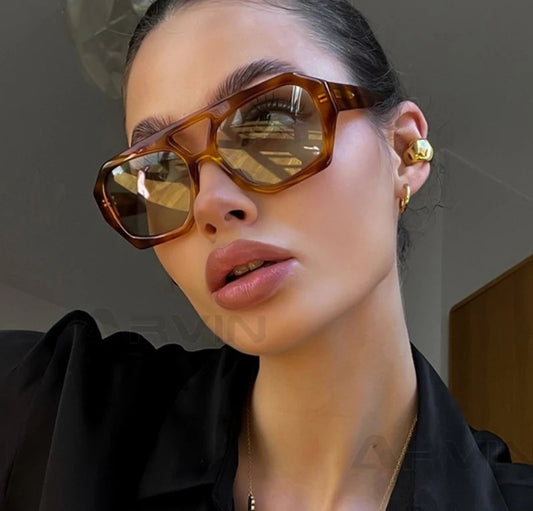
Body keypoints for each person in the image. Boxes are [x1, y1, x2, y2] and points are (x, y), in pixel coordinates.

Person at [1, 0, 532, 510]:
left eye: (270, 124)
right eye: (158, 174)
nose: (209, 202)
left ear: (402, 152)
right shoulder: (56, 413)